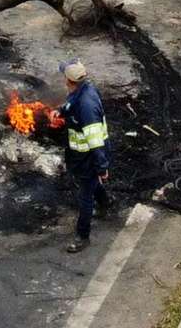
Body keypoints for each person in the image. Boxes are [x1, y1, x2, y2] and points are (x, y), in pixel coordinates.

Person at [60, 58, 111, 254]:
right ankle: (106, 203)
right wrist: (60, 113)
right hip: (80, 156)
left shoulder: (86, 106)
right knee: (90, 184)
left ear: (69, 80)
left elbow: (95, 140)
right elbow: (70, 107)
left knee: (85, 196)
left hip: (88, 158)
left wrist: (102, 167)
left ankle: (82, 236)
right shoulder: (81, 91)